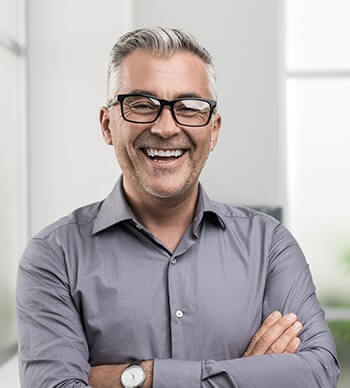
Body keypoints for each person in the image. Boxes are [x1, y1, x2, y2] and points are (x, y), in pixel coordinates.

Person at [16, 27, 340, 388]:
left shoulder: (270, 246)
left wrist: (142, 378)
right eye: (141, 105)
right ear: (108, 125)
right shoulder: (54, 256)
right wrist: (247, 375)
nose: (166, 127)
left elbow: (317, 374)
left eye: (189, 107)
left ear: (213, 130)